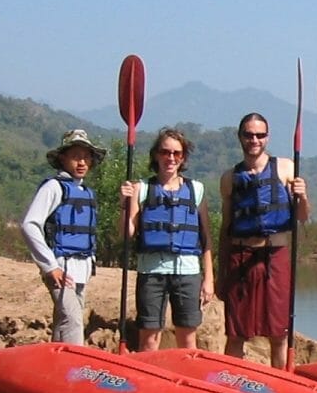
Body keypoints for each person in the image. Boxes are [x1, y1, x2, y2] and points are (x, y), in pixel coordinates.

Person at [218, 113, 309, 367]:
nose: (254, 140)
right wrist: (220, 273)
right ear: (240, 137)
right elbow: (226, 228)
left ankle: (281, 382)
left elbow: (302, 217)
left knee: (279, 333)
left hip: (275, 254)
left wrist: (303, 196)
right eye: (249, 135)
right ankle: (230, 380)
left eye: (260, 135)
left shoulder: (286, 168)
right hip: (240, 256)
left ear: (267, 137)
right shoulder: (229, 178)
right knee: (236, 333)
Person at [119, 128, 214, 351]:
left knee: (187, 339)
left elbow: (206, 238)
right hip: (151, 272)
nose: (170, 158)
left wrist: (209, 278)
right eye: (165, 152)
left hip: (188, 272)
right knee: (149, 339)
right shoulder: (141, 189)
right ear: (156, 155)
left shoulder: (196, 190)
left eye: (176, 153)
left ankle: (185, 373)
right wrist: (124, 204)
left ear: (183, 157)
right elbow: (126, 233)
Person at [21, 128, 107, 345]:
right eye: (76, 156)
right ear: (63, 158)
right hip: (61, 267)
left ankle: (56, 362)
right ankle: (74, 363)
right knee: (73, 321)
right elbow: (30, 225)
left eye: (86, 157)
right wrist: (50, 266)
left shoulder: (84, 190)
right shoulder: (53, 187)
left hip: (81, 269)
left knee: (65, 321)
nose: (82, 162)